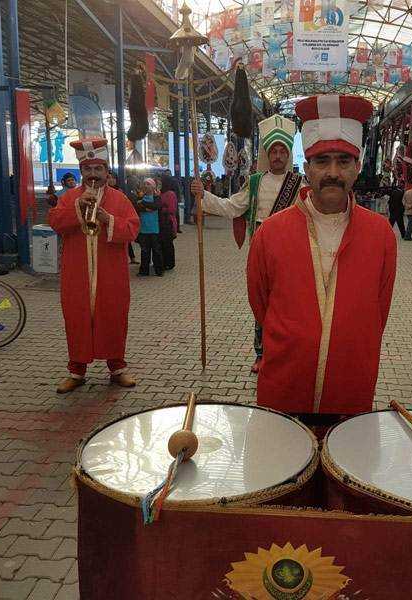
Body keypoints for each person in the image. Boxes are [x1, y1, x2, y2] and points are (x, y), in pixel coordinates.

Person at [247, 94, 397, 416]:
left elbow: (378, 311)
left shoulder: (381, 235)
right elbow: (261, 305)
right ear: (306, 168)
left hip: (350, 389)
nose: (332, 172)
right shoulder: (270, 233)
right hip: (284, 390)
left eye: (343, 161)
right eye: (321, 161)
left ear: (357, 168)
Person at [191, 115, 303, 373]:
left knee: (289, 305)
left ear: (288, 155)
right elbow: (232, 206)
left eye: (282, 151)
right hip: (261, 251)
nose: (277, 155)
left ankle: (286, 353)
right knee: (261, 304)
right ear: (267, 153)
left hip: (291, 253)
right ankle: (261, 354)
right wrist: (203, 195)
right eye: (273, 150)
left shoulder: (300, 184)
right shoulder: (254, 182)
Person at [48, 138, 140, 393]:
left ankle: (117, 368)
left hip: (111, 274)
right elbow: (55, 222)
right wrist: (78, 209)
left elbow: (132, 229)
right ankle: (76, 371)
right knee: (76, 318)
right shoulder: (69, 198)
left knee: (113, 316)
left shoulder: (120, 199)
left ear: (106, 172)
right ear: (81, 172)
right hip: (76, 274)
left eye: (97, 169)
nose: (92, 175)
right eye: (87, 170)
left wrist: (106, 218)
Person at [136, 178, 164, 277]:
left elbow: (156, 206)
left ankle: (159, 270)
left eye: (148, 184)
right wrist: (147, 207)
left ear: (153, 186)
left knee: (156, 251)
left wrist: (145, 206)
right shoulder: (140, 197)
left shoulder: (157, 198)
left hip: (155, 228)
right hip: (143, 229)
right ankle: (144, 271)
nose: (146, 186)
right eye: (145, 184)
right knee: (144, 251)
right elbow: (137, 207)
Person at [158, 175, 178, 270]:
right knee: (162, 243)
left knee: (168, 243)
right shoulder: (160, 193)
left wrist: (161, 208)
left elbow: (172, 209)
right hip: (161, 221)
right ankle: (163, 262)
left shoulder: (170, 194)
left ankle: (169, 263)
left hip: (168, 221)